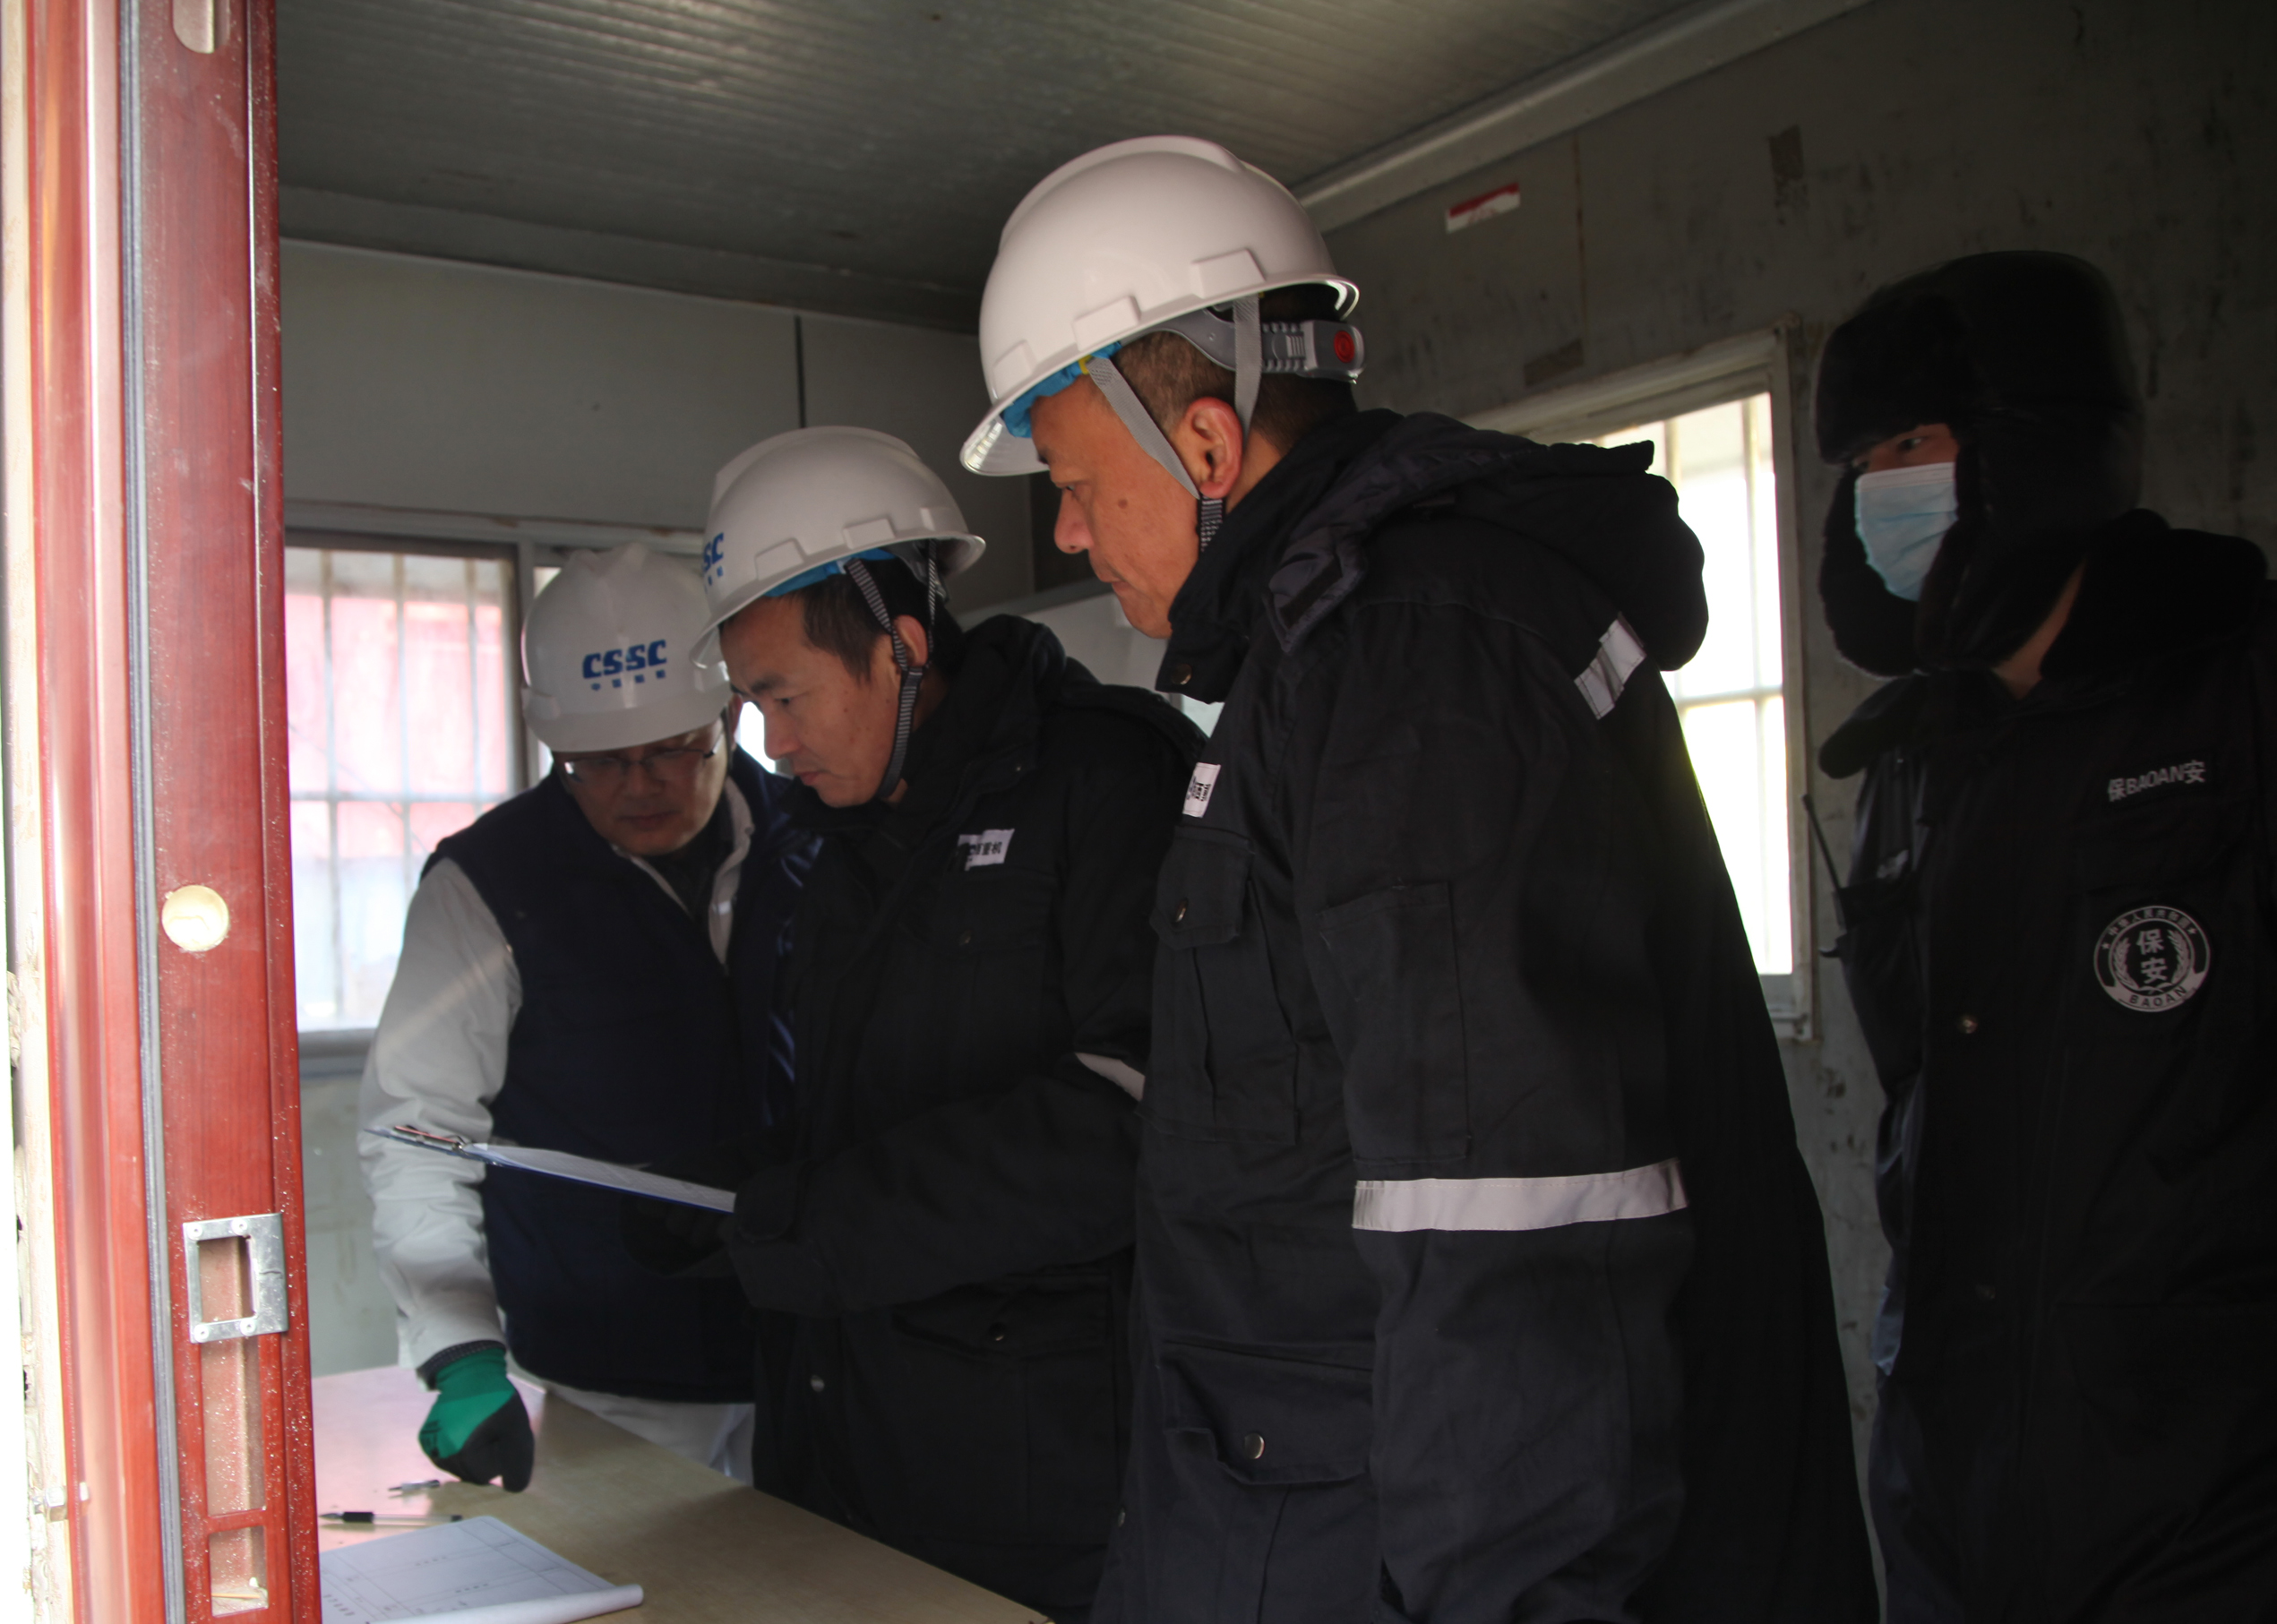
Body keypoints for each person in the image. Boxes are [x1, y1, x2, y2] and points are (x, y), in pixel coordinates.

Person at [960, 135, 1876, 1622]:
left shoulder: (1415, 661)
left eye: (1070, 482)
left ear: (1203, 447)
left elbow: (1507, 1228)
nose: (1063, 530)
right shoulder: (1325, 660)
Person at [630, 425, 1199, 1621]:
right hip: (841, 1447)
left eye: (783, 695)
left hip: (1034, 1484)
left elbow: (1138, 1118)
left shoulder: (1106, 785)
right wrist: (739, 1191)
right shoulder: (836, 837)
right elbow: (875, 1106)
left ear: (901, 643)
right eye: (749, 704)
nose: (769, 742)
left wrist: (821, 1227)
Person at [1815, 250, 2277, 1621]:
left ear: (2031, 440)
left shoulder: (2234, 696)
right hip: (1953, 1479)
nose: (1878, 489)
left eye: (1911, 445)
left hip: (2202, 1495)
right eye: (1862, 461)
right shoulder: (1910, 761)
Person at [360, 543, 810, 1491]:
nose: (637, 785)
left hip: (815, 1352)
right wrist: (460, 1352)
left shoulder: (815, 838)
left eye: (671, 750)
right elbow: (417, 1131)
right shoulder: (489, 885)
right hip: (606, 1382)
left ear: (730, 714)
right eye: (596, 763)